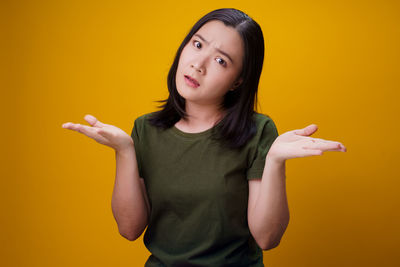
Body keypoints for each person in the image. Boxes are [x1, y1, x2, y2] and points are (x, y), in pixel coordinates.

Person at [62, 8, 346, 267]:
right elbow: (129, 229)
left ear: (238, 81)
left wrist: (274, 162)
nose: (199, 64)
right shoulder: (145, 130)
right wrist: (124, 150)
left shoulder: (257, 131)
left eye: (221, 61)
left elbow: (267, 239)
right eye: (197, 45)